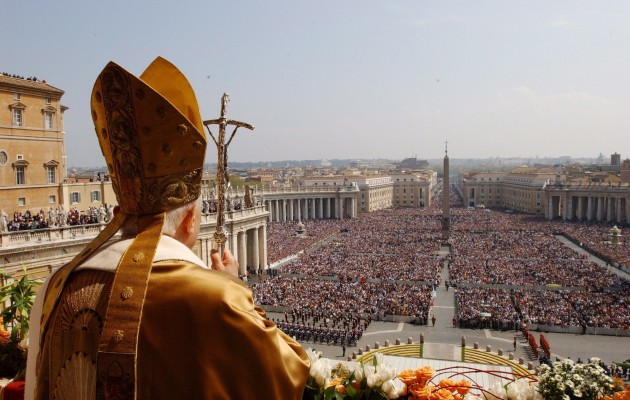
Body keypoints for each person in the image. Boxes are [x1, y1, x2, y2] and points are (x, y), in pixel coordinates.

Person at [25, 57, 309, 400]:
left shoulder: (57, 287)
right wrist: (237, 291)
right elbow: (288, 371)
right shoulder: (215, 298)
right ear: (190, 220)